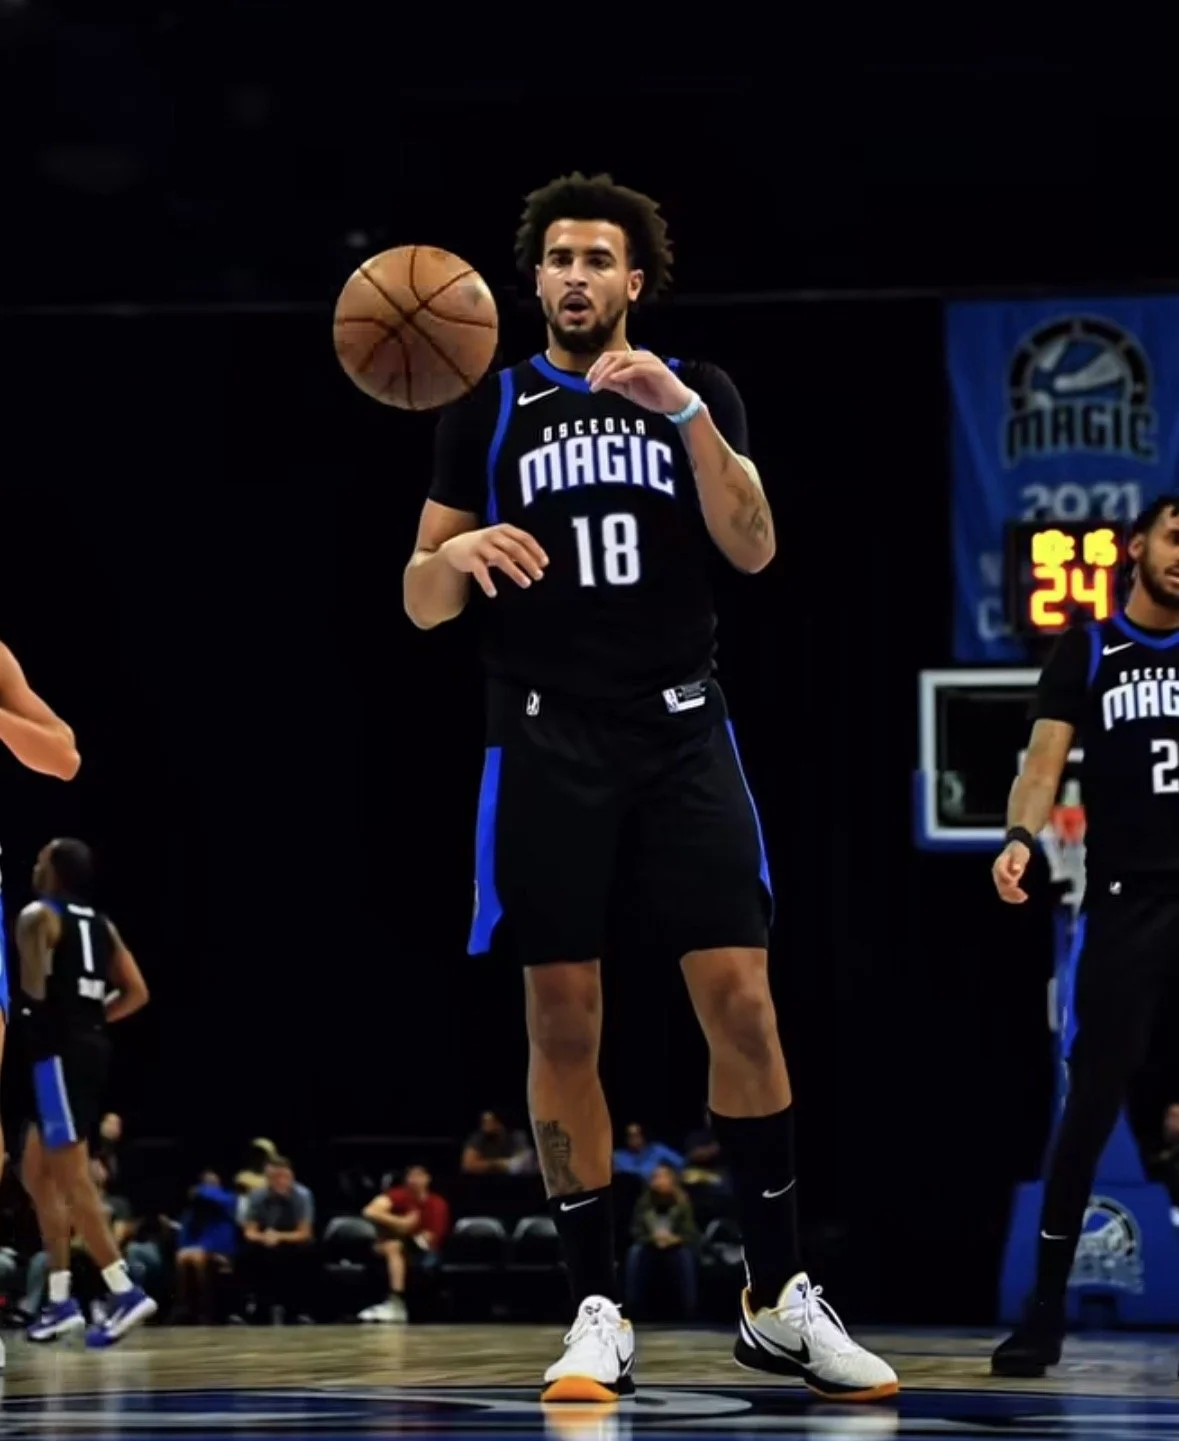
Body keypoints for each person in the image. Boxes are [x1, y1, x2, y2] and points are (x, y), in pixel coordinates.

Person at [402, 171, 897, 1404]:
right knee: (562, 1018)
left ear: (635, 281)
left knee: (745, 1003)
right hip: (540, 734)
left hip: (682, 728)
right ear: (535, 280)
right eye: (557, 257)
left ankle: (777, 1296)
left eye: (597, 259)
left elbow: (757, 544)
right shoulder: (491, 401)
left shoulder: (697, 394)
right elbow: (419, 600)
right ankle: (597, 1304)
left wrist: (685, 412)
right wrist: (451, 552)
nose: (575, 276)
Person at [991, 494, 1179, 1378]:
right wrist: (1020, 837)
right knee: (1090, 1100)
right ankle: (1043, 1310)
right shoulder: (1093, 645)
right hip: (1125, 899)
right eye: (1177, 537)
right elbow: (1041, 761)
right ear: (1139, 545)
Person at [13, 837, 154, 1347]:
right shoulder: (100, 923)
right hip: (88, 1046)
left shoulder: (37, 916)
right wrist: (92, 1022)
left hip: (56, 1053)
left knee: (71, 1175)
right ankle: (59, 1299)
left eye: (39, 858)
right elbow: (137, 992)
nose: (33, 864)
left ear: (53, 871)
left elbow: (32, 998)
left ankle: (122, 1289)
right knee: (36, 1170)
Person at [359, 1163, 451, 1322]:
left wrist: (406, 1233)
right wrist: (399, 1223)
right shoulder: (398, 1195)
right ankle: (394, 1303)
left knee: (395, 1246)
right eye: (411, 1176)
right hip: (392, 1246)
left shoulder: (437, 1203)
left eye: (419, 1176)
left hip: (423, 1250)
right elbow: (369, 1211)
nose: (414, 1180)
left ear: (428, 1179)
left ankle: (397, 1304)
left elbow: (428, 1239)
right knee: (391, 1246)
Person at [239, 1155, 315, 1323]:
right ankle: (254, 1309)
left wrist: (278, 1236)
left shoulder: (302, 1195)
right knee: (247, 1254)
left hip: (293, 1241)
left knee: (304, 1252)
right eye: (275, 1178)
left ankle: (298, 1311)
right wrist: (264, 1237)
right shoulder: (257, 1196)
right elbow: (249, 1232)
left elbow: (304, 1232)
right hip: (266, 1241)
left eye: (285, 1177)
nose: (281, 1182)